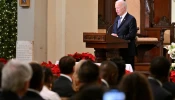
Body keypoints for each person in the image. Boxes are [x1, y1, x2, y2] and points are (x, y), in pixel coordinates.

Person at [111, 0, 137, 70]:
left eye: (118, 8)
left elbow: (132, 35)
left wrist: (118, 37)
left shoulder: (131, 19)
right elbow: (115, 32)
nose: (116, 10)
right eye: (115, 8)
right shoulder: (116, 19)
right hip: (117, 51)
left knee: (128, 72)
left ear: (124, 8)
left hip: (127, 51)